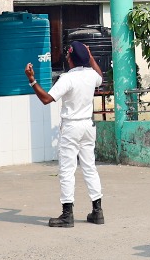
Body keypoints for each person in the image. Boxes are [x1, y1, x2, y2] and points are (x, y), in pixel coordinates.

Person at [26, 41, 105, 227]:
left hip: (71, 127)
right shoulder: (91, 75)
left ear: (70, 59)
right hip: (88, 125)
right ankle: (97, 211)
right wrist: (90, 56)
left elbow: (46, 99)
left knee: (67, 170)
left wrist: (32, 80)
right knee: (89, 167)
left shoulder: (67, 79)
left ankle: (67, 215)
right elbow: (100, 77)